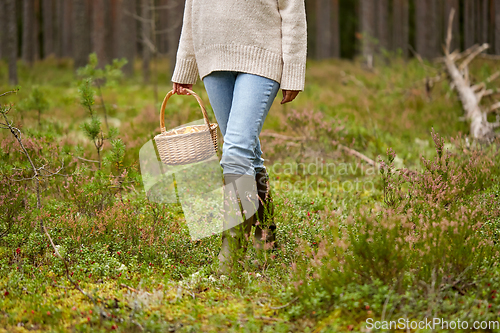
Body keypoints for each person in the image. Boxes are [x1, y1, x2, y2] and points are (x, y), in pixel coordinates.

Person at [171, 0, 307, 275]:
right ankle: (264, 238)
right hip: (213, 58)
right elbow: (192, 10)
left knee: (235, 152)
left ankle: (231, 251)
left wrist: (293, 70)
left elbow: (293, 11)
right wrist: (185, 66)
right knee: (247, 153)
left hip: (262, 57)